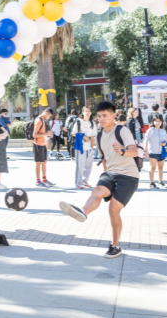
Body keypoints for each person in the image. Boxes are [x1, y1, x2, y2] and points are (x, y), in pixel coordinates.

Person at [59, 101, 140, 258]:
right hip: (111, 173)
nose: (102, 119)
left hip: (128, 176)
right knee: (97, 190)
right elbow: (104, 158)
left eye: (105, 115)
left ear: (113, 116)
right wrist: (105, 175)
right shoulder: (100, 135)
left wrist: (123, 151)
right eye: (99, 116)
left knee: (113, 209)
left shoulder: (122, 131)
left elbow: (134, 151)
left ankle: (115, 246)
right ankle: (82, 212)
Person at [69, 107, 96, 189]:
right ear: (83, 112)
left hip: (89, 149)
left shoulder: (92, 123)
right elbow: (73, 133)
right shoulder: (78, 122)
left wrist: (92, 147)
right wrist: (83, 136)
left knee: (88, 166)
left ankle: (85, 181)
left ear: (91, 113)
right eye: (86, 111)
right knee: (80, 166)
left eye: (89, 111)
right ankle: (78, 182)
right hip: (80, 148)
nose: (87, 112)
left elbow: (92, 135)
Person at [32, 108, 55, 188]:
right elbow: (34, 135)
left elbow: (41, 133)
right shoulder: (38, 121)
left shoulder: (43, 120)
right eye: (49, 115)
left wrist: (47, 133)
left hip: (43, 143)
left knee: (44, 161)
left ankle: (44, 180)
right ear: (46, 113)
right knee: (38, 163)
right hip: (37, 143)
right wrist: (46, 134)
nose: (49, 117)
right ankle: (38, 181)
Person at [144, 115, 167, 189]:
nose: (158, 123)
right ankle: (152, 183)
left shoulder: (163, 131)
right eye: (156, 121)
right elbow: (146, 141)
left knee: (161, 168)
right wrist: (146, 152)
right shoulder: (150, 130)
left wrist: (165, 143)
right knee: (153, 167)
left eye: (159, 121)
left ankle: (161, 182)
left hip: (162, 152)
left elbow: (166, 141)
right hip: (152, 152)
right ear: (153, 122)